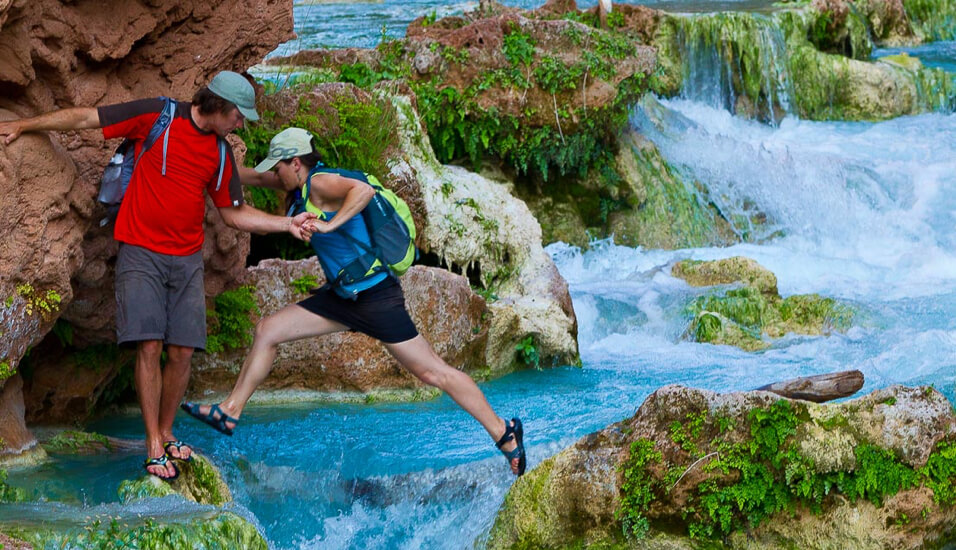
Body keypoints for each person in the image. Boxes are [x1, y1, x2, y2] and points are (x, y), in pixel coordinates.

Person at [0, 72, 317, 481]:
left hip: (186, 261)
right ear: (219, 105)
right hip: (140, 251)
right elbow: (87, 119)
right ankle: (152, 444)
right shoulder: (157, 115)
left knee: (183, 350)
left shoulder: (219, 153)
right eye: (239, 116)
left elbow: (233, 213)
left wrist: (286, 225)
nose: (241, 125)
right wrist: (26, 124)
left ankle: (167, 433)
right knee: (148, 345)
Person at [181, 127, 527, 476]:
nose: (275, 174)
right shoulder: (296, 183)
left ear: (296, 163)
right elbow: (250, 176)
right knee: (268, 330)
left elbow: (361, 191)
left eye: (279, 167)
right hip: (343, 297)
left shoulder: (320, 182)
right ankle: (230, 411)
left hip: (376, 297)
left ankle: (504, 433)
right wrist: (205, 162)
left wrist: (331, 227)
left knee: (433, 371)